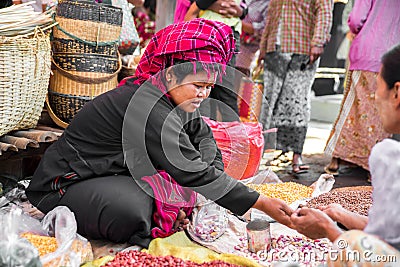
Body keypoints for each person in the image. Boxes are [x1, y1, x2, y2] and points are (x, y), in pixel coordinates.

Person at [26, 19, 293, 248]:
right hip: (62, 185)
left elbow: (203, 138)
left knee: (168, 194)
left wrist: (218, 181)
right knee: (134, 212)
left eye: (209, 87)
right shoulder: (148, 105)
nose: (203, 94)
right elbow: (193, 171)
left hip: (111, 172)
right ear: (170, 76)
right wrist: (262, 203)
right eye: (198, 85)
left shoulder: (178, 100)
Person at [291, 44, 400, 265]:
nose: (375, 98)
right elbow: (391, 234)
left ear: (396, 92)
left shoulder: (390, 155)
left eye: (377, 87)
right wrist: (340, 214)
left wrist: (328, 229)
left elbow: (379, 256)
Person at [324, 0, 400, 176]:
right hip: (393, 57)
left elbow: (356, 19)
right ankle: (373, 164)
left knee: (353, 107)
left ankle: (336, 158)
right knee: (381, 112)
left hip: (367, 52)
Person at [258, 0, 333, 175]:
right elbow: (271, 17)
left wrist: (318, 41)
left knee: (296, 102)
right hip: (274, 51)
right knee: (269, 103)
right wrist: (263, 48)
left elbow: (324, 12)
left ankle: (296, 155)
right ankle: (262, 152)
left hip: (302, 48)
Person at [185, 0, 248, 122]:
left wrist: (200, 5)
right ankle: (217, 134)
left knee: (209, 86)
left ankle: (233, 135)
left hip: (214, 31)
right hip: (221, 31)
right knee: (212, 88)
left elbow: (242, 8)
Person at [235, 0, 269, 77]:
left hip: (242, 59)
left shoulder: (268, 4)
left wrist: (237, 23)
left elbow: (264, 30)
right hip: (223, 51)